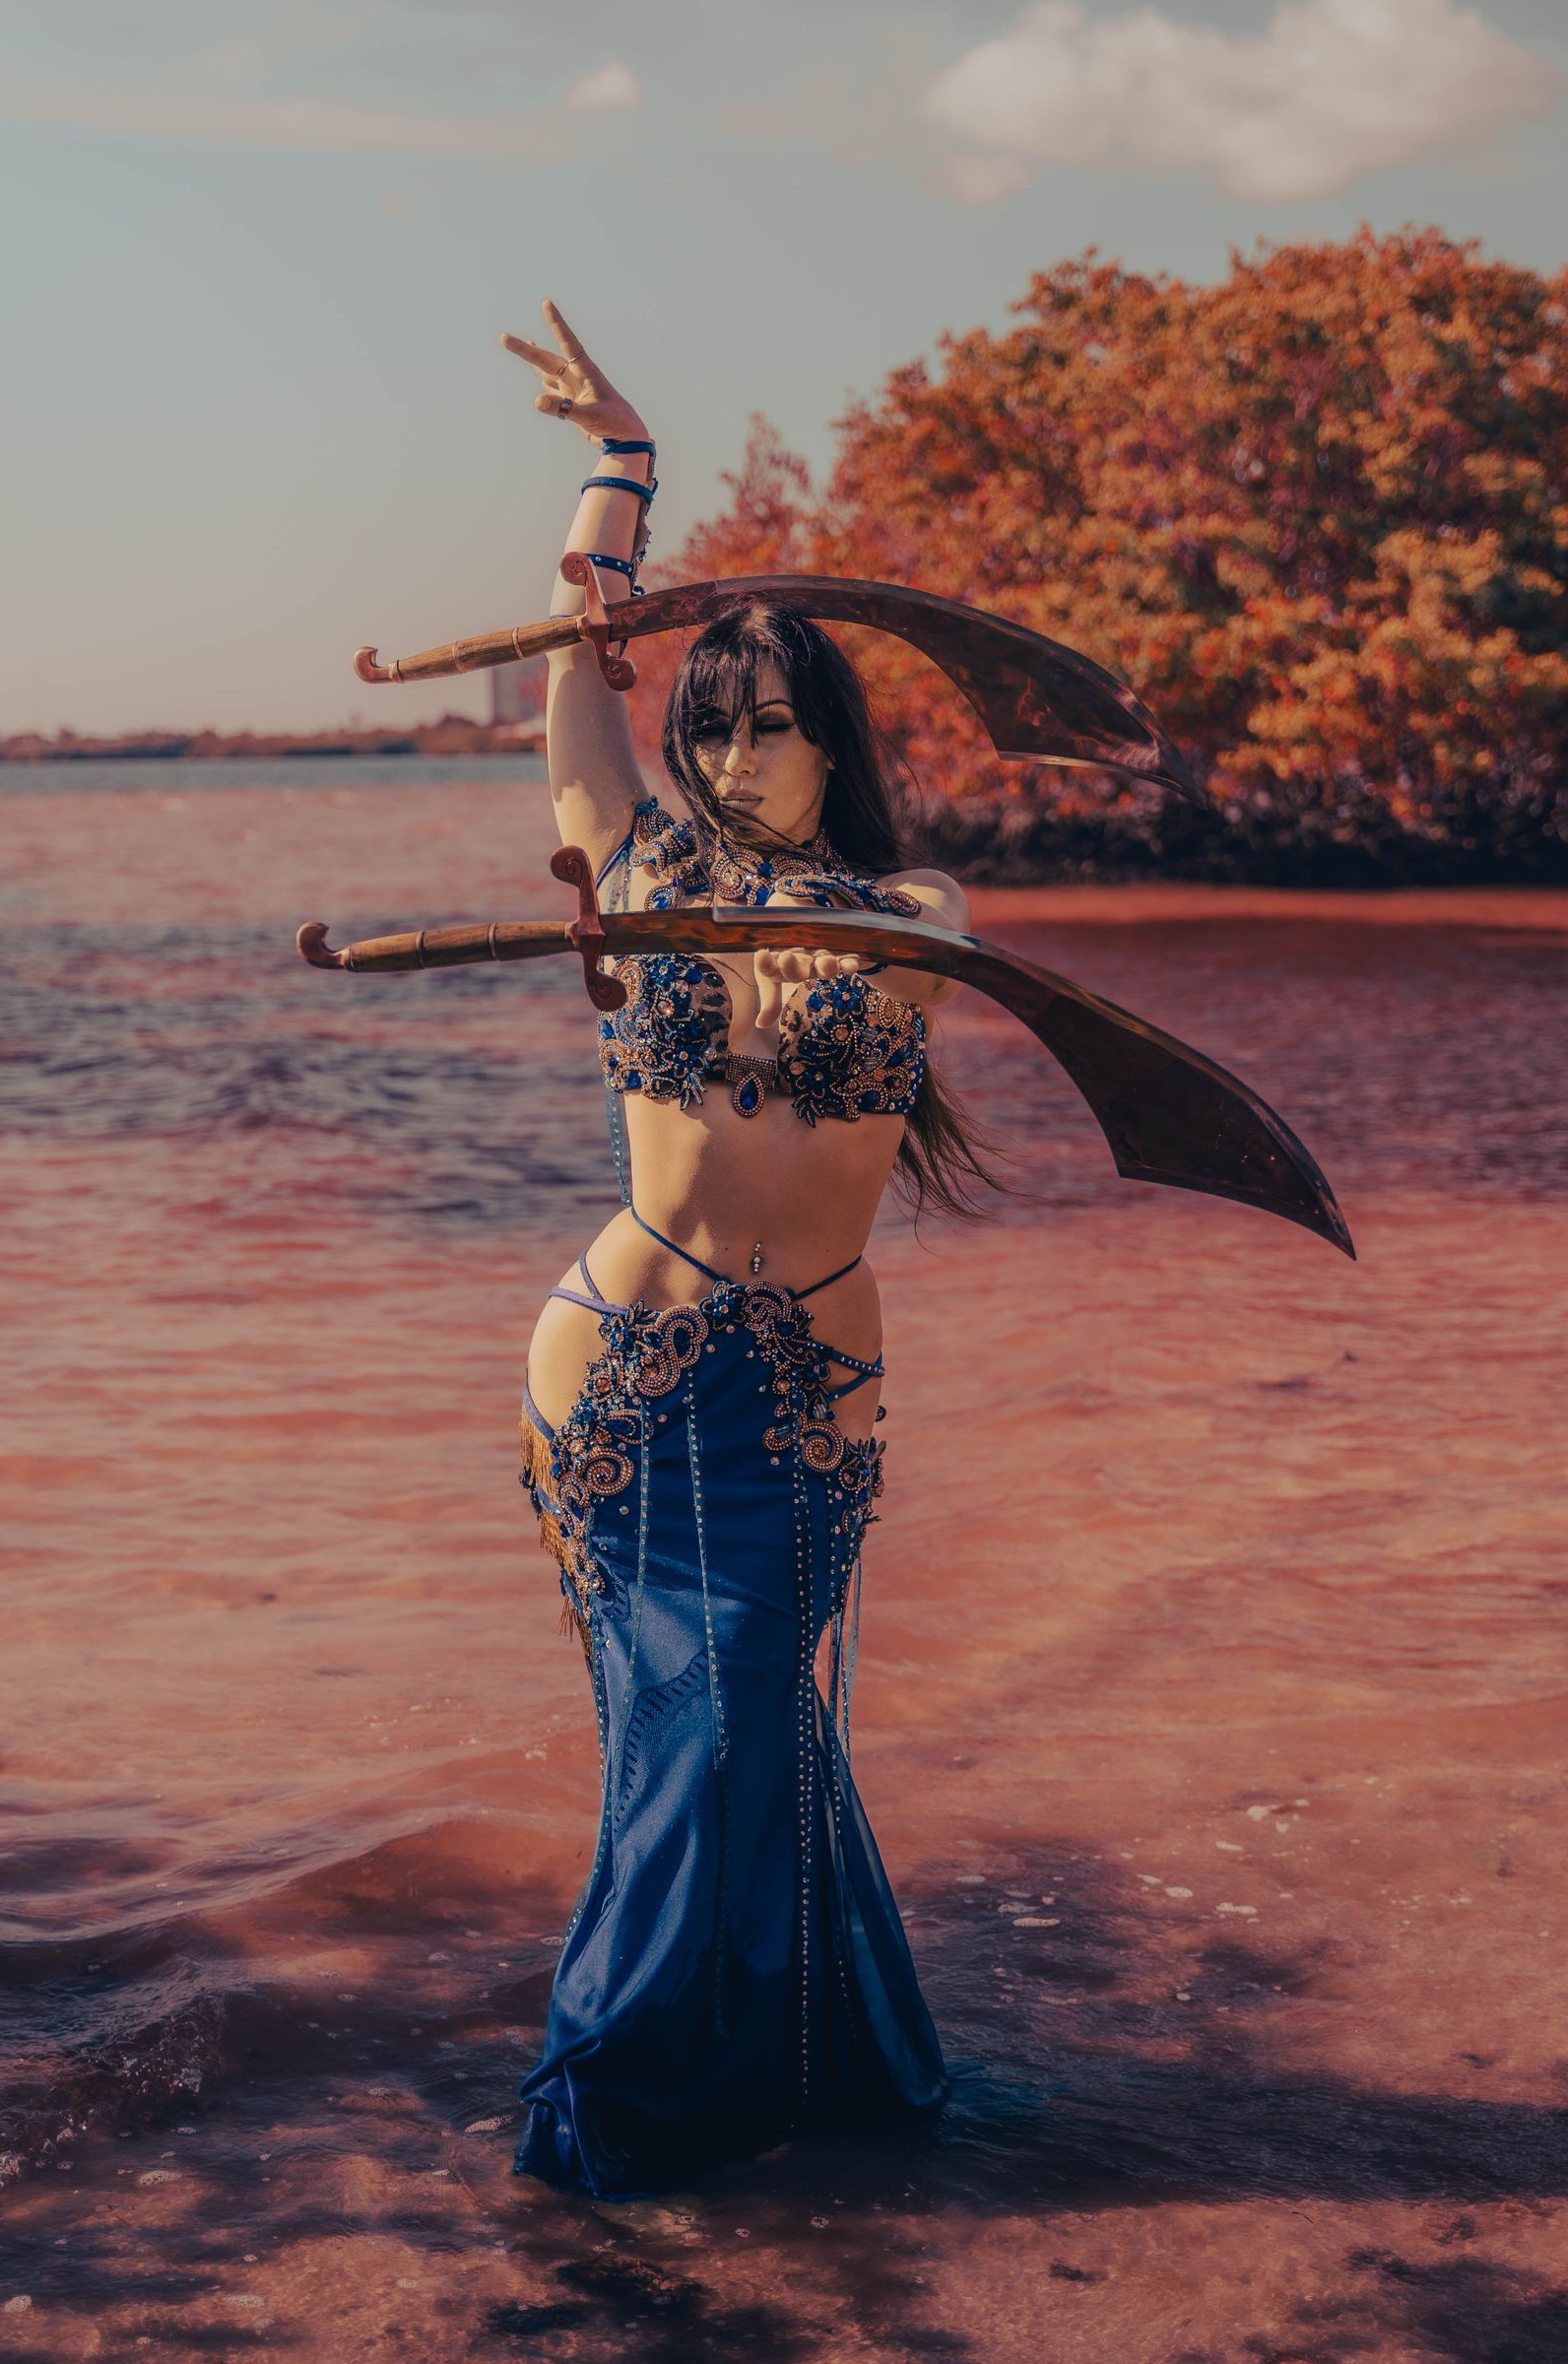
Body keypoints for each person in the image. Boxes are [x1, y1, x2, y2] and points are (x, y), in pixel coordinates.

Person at [500, 300, 999, 2200]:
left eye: (766, 720)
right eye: (706, 720)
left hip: (811, 1392)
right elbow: (575, 655)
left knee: (760, 1726)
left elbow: (912, 946)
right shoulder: (629, 868)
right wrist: (621, 470)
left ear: (830, 738)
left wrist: (823, 947)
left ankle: (790, 2069)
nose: (727, 748)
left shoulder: (914, 903)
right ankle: (619, 2101)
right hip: (625, 1364)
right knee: (683, 1733)